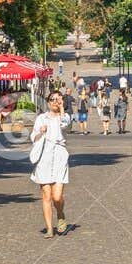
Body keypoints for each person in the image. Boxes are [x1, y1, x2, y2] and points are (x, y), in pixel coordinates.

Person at [30, 92, 75, 237]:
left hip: (59, 156)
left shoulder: (65, 116)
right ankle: (49, 228)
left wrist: (62, 108)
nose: (54, 102)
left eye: (58, 99)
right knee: (46, 195)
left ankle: (60, 214)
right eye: (52, 99)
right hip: (44, 157)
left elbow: (65, 126)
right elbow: (33, 137)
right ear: (48, 102)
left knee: (57, 196)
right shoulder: (41, 118)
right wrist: (40, 132)